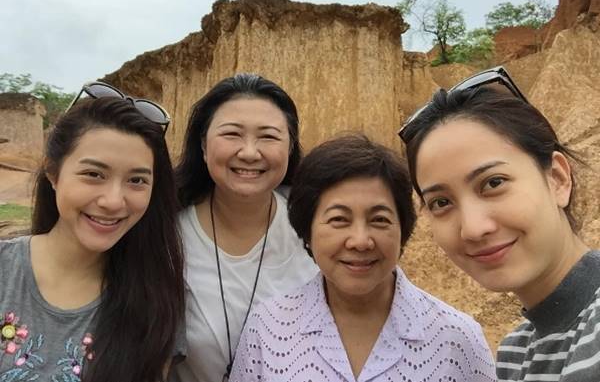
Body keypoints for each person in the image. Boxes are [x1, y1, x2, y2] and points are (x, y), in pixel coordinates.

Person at [230, 134, 497, 382]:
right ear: (307, 229)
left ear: (403, 229)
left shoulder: (458, 339)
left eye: (379, 219)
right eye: (339, 219)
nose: (360, 241)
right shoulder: (266, 328)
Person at [399, 66, 599, 381]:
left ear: (557, 179)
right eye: (441, 202)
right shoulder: (513, 355)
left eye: (493, 183)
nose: (473, 228)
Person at [0, 82, 185, 382]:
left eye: (137, 180)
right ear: (53, 173)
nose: (113, 201)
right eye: (94, 174)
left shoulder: (157, 302)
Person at [171, 74, 318, 382]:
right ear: (203, 144)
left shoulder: (317, 230)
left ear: (291, 147)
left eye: (268, 137)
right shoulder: (167, 238)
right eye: (232, 134)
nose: (250, 152)